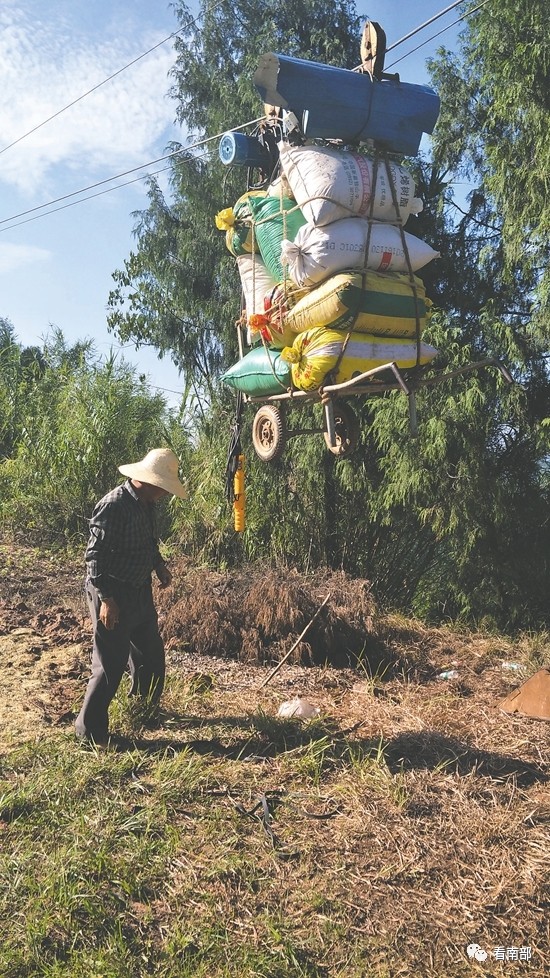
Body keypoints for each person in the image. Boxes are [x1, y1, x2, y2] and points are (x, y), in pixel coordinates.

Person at [75, 448, 188, 745]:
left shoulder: (147, 504)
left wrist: (159, 565)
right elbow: (94, 557)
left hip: (139, 589)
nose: (164, 494)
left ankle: (143, 709)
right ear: (148, 481)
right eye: (162, 487)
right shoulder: (114, 505)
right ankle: (90, 733)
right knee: (110, 663)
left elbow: (149, 542)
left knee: (150, 654)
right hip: (112, 592)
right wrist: (107, 600)